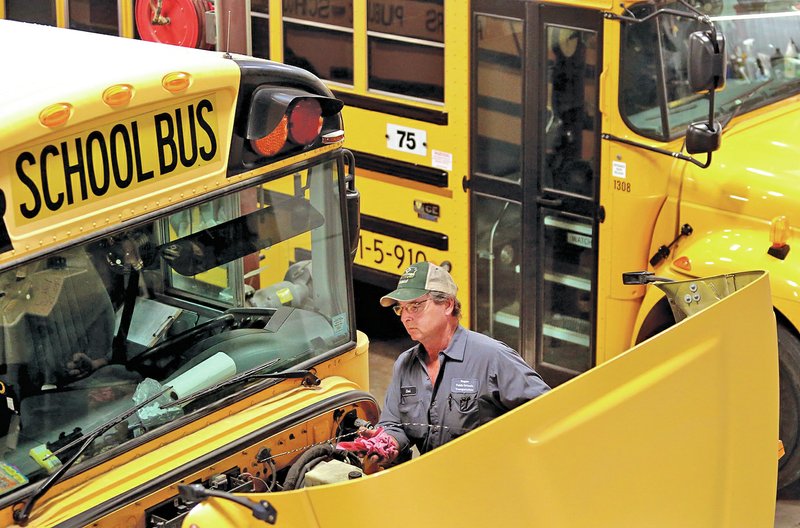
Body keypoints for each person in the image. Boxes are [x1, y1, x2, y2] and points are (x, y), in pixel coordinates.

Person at [354, 261, 550, 473]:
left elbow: (548, 413)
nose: (405, 317)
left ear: (447, 304)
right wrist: (387, 444)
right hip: (434, 483)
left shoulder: (492, 358)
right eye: (400, 308)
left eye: (415, 306)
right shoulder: (405, 364)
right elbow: (395, 424)